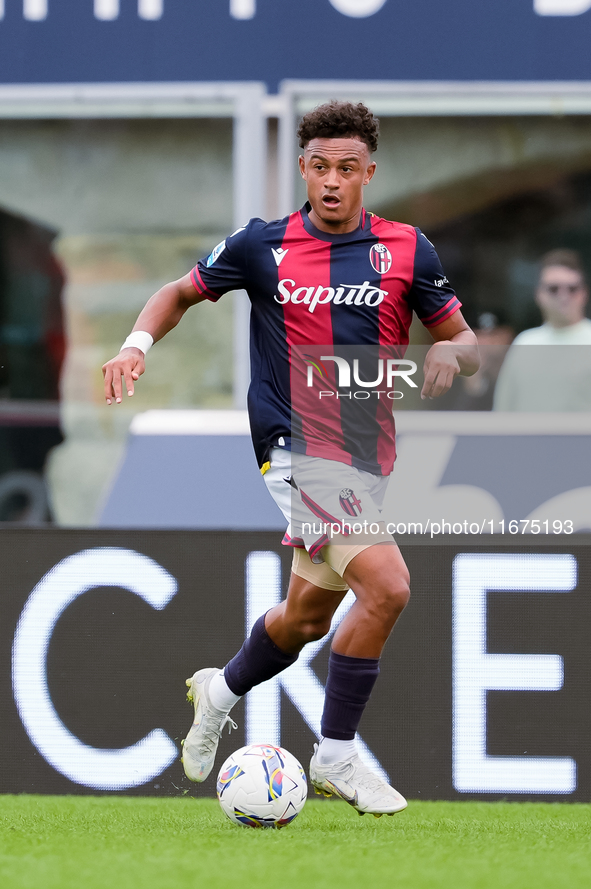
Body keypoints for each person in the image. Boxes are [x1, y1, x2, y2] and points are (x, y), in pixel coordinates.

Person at [103, 102, 479, 816]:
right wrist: (134, 346)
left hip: (366, 456)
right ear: (302, 168)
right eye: (318, 167)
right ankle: (334, 752)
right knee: (389, 585)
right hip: (294, 448)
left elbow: (458, 336)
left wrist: (450, 358)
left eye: (346, 168)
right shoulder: (261, 246)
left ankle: (218, 690)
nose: (331, 181)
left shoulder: (406, 248)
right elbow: (178, 293)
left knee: (304, 619)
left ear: (368, 172)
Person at [494, 249, 591, 411]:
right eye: (554, 289)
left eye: (572, 288)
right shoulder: (524, 343)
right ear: (538, 294)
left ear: (584, 293)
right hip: (527, 436)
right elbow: (503, 410)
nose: (564, 296)